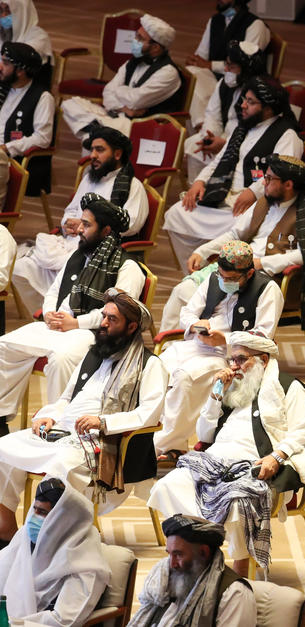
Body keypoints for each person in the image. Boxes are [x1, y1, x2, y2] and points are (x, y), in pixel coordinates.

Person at [0, 289, 166, 542]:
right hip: (63, 430)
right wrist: (50, 416)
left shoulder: (151, 365)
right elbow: (67, 398)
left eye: (113, 320)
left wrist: (103, 422)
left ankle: (50, 536)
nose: (104, 323)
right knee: (4, 446)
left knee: (63, 463)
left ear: (132, 327)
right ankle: (5, 528)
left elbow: (148, 414)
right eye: (104, 316)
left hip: (102, 441)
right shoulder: (92, 355)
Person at [149, 332, 305, 576]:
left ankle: (240, 575)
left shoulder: (289, 387)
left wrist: (277, 457)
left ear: (263, 359)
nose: (233, 367)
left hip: (255, 464)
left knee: (238, 505)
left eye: (240, 360)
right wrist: (216, 395)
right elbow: (205, 435)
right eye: (231, 360)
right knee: (169, 485)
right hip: (215, 459)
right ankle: (201, 553)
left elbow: (303, 433)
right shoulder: (231, 388)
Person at [0, 195, 143, 431]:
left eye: (87, 225)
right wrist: (48, 313)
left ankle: (58, 425)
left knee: (62, 358)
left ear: (106, 230)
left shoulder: (128, 267)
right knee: (4, 345)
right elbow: (53, 291)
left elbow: (117, 314)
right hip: (58, 325)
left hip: (91, 332)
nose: (79, 229)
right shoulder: (78, 257)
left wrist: (75, 323)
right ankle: (1, 418)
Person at [161, 154, 305, 334]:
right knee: (181, 291)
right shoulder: (264, 202)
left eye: (270, 179)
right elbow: (235, 234)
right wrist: (203, 251)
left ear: (288, 185)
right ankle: (167, 349)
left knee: (196, 301)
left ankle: (192, 349)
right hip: (234, 268)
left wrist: (262, 263)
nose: (263, 182)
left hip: (262, 278)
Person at [153, 240, 283, 461]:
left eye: (231, 279)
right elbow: (187, 312)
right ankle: (146, 436)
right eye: (222, 276)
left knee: (184, 379)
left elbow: (264, 336)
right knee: (154, 370)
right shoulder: (215, 278)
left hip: (229, 357)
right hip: (195, 345)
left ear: (249, 273)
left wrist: (227, 340)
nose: (224, 282)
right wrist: (195, 325)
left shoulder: (268, 289)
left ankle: (162, 446)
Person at [164, 75, 303, 267]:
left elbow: (283, 175)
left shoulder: (288, 136)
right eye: (244, 99)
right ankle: (194, 274)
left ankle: (220, 276)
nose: (243, 105)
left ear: (268, 108)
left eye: (251, 102)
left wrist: (253, 192)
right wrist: (200, 181)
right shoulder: (242, 128)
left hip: (252, 207)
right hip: (222, 196)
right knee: (177, 214)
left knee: (237, 230)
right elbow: (219, 161)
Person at [13, 126, 148, 314]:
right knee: (20, 269)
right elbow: (71, 210)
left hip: (96, 250)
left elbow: (131, 225)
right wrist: (69, 222)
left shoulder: (133, 187)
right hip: (72, 241)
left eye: (99, 150)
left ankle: (67, 316)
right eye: (92, 150)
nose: (92, 155)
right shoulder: (89, 179)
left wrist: (91, 224)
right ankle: (47, 315)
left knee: (66, 265)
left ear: (117, 154)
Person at [0, 480, 111, 625]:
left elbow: (63, 621)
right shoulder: (25, 540)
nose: (34, 518)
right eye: (35, 509)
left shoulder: (85, 566)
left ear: (62, 520)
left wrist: (12, 623)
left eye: (43, 512)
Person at [62, 14, 183, 139]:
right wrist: (124, 108)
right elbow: (107, 92)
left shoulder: (167, 73)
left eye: (140, 38)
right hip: (118, 117)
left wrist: (119, 90)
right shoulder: (133, 62)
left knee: (90, 138)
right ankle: (98, 130)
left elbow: (136, 101)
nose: (135, 40)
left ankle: (96, 131)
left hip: (138, 126)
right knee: (69, 104)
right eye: (136, 35)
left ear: (156, 47)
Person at [129, 514, 256, 627]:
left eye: (178, 555)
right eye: (170, 554)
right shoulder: (166, 579)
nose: (172, 564)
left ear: (203, 552)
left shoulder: (235, 594)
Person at [185, 0, 272, 126]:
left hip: (241, 82)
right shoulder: (215, 20)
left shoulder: (255, 25)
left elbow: (248, 64)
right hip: (215, 78)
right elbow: (201, 56)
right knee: (191, 73)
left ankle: (204, 127)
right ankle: (201, 126)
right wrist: (195, 61)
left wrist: (210, 65)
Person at [181, 40, 267, 182]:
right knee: (195, 144)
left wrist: (225, 143)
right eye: (226, 64)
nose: (226, 69)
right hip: (222, 138)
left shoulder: (261, 96)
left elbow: (257, 133)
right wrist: (210, 137)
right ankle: (195, 192)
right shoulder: (224, 84)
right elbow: (212, 115)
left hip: (246, 149)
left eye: (231, 66)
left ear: (246, 70)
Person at [0, 41, 54, 200]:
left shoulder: (43, 98)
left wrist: (7, 148)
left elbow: (42, 138)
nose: (0, 66)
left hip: (9, 159)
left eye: (6, 63)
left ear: (21, 71)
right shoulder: (3, 88)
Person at [0, 0, 53, 79]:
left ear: (22, 13)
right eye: (1, 11)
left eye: (9, 11)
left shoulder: (39, 36)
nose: (3, 15)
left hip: (27, 87)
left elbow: (18, 59)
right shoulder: (2, 33)